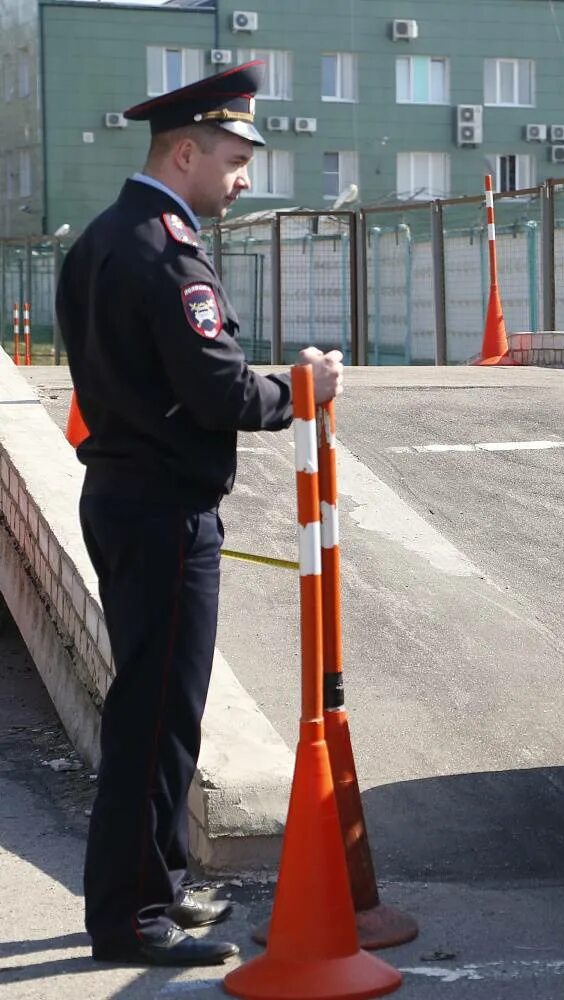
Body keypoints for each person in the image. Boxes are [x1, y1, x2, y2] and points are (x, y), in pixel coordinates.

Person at [55, 62, 343, 968]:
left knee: (163, 710)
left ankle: (156, 885)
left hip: (124, 496)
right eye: (232, 156)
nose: (243, 176)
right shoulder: (166, 249)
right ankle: (129, 915)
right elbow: (217, 390)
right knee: (153, 713)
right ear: (185, 152)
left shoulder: (103, 238)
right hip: (164, 511)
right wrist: (303, 387)